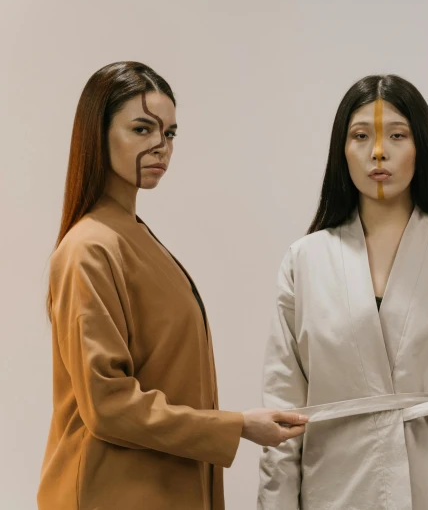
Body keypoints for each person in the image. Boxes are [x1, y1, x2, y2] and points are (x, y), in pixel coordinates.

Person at [39, 61, 307, 510]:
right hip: (114, 492)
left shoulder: (131, 236)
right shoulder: (90, 248)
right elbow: (107, 404)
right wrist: (236, 426)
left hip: (165, 486)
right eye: (142, 129)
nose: (160, 147)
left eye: (169, 134)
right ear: (96, 133)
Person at [258, 74, 428, 509]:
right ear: (341, 151)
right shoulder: (304, 261)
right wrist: (276, 502)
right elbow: (283, 406)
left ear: (421, 147)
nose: (378, 151)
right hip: (336, 485)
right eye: (361, 136)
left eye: (397, 135)